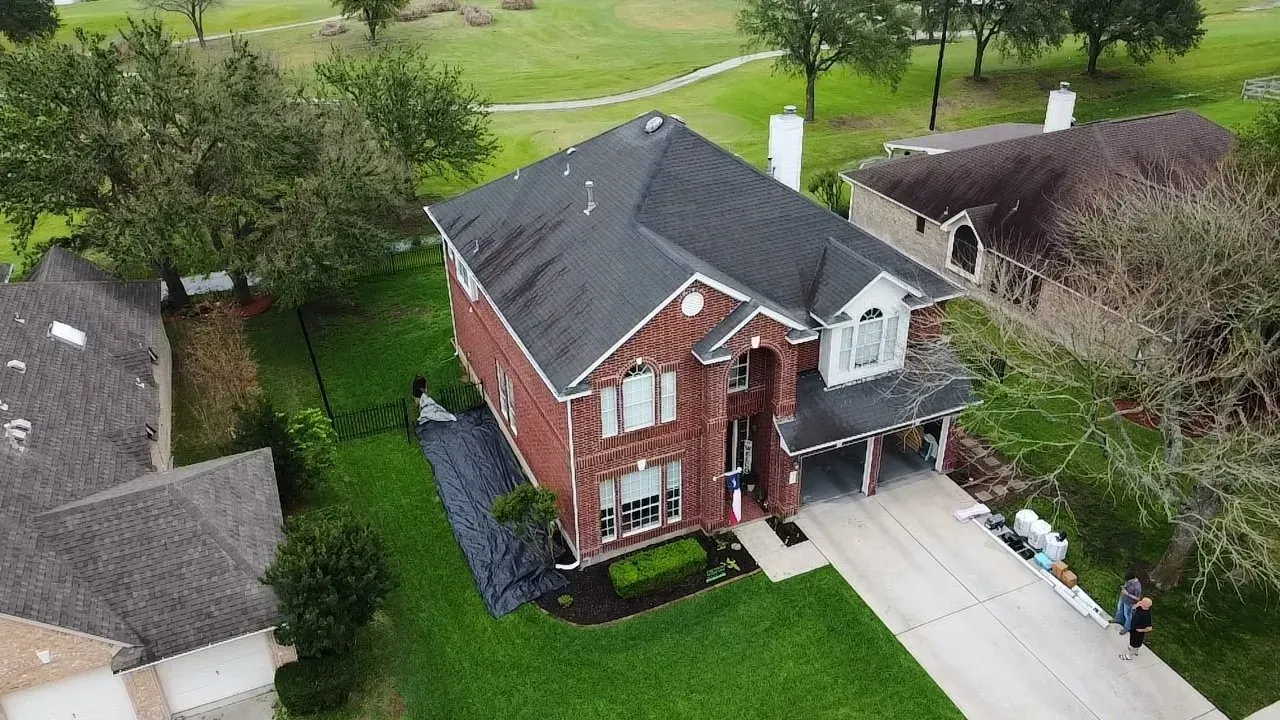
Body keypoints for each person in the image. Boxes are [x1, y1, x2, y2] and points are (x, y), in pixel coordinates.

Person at [1113, 568, 1142, 634]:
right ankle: (1118, 619)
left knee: (1128, 615)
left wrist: (1127, 594)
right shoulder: (1129, 581)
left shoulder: (1137, 587)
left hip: (1129, 603)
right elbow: (1126, 585)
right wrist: (1123, 587)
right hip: (1123, 598)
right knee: (1119, 609)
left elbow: (1138, 598)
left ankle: (1126, 628)